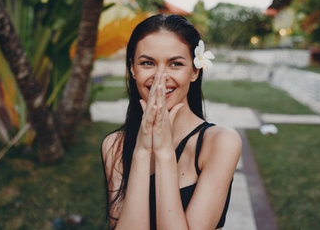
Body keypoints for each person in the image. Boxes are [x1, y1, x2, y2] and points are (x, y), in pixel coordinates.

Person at [101, 14, 242, 230]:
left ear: (195, 71)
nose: (160, 77)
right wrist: (141, 152)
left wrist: (165, 153)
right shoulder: (114, 146)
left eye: (175, 64)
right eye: (147, 63)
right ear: (132, 69)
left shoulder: (220, 143)